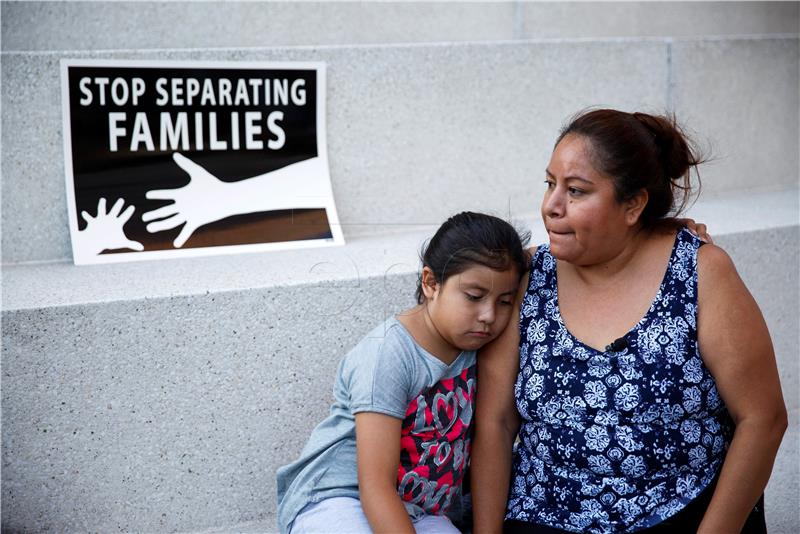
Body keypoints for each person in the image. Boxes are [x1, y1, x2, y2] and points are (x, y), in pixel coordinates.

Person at [471, 109, 787, 534]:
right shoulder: (528, 277)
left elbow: (762, 419)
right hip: (546, 514)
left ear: (634, 204)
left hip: (679, 510)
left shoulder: (699, 272)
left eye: (576, 191)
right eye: (550, 184)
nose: (551, 206)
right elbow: (496, 421)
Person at [276, 212, 530, 533]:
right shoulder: (390, 354)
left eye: (505, 301)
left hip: (422, 511)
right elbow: (375, 485)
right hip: (341, 498)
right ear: (431, 283)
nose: (489, 315)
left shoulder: (478, 350)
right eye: (474, 297)